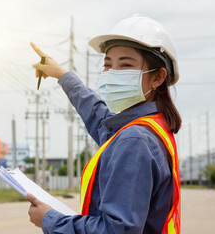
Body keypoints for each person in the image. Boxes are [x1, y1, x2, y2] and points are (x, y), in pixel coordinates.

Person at [28, 14, 181, 234]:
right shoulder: (151, 127)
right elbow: (100, 118)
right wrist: (62, 75)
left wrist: (50, 220)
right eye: (108, 64)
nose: (112, 74)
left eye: (125, 65)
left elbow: (117, 230)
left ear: (157, 78)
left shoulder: (135, 139)